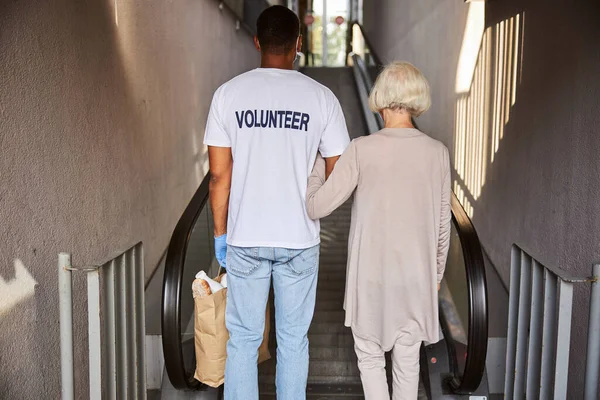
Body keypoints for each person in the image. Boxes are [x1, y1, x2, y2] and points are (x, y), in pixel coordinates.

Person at [203, 5, 350, 400]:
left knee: (243, 340)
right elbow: (341, 169)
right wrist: (312, 179)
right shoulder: (322, 98)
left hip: (245, 237)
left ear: (256, 42)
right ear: (298, 45)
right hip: (300, 238)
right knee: (293, 340)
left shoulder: (228, 95)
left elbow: (219, 175)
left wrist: (221, 234)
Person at [306, 62, 451, 400]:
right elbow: (442, 229)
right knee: (407, 365)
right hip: (416, 281)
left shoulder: (361, 149)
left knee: (371, 361)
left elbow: (317, 207)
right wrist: (436, 278)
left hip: (370, 280)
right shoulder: (437, 153)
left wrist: (317, 165)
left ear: (380, 97)